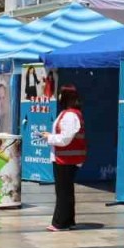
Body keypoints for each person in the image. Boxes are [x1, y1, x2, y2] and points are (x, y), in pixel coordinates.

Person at [37, 84, 86, 231]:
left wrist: (49, 137)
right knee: (66, 191)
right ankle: (68, 220)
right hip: (64, 159)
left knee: (63, 192)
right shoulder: (68, 113)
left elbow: (65, 139)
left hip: (65, 160)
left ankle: (60, 222)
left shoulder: (70, 115)